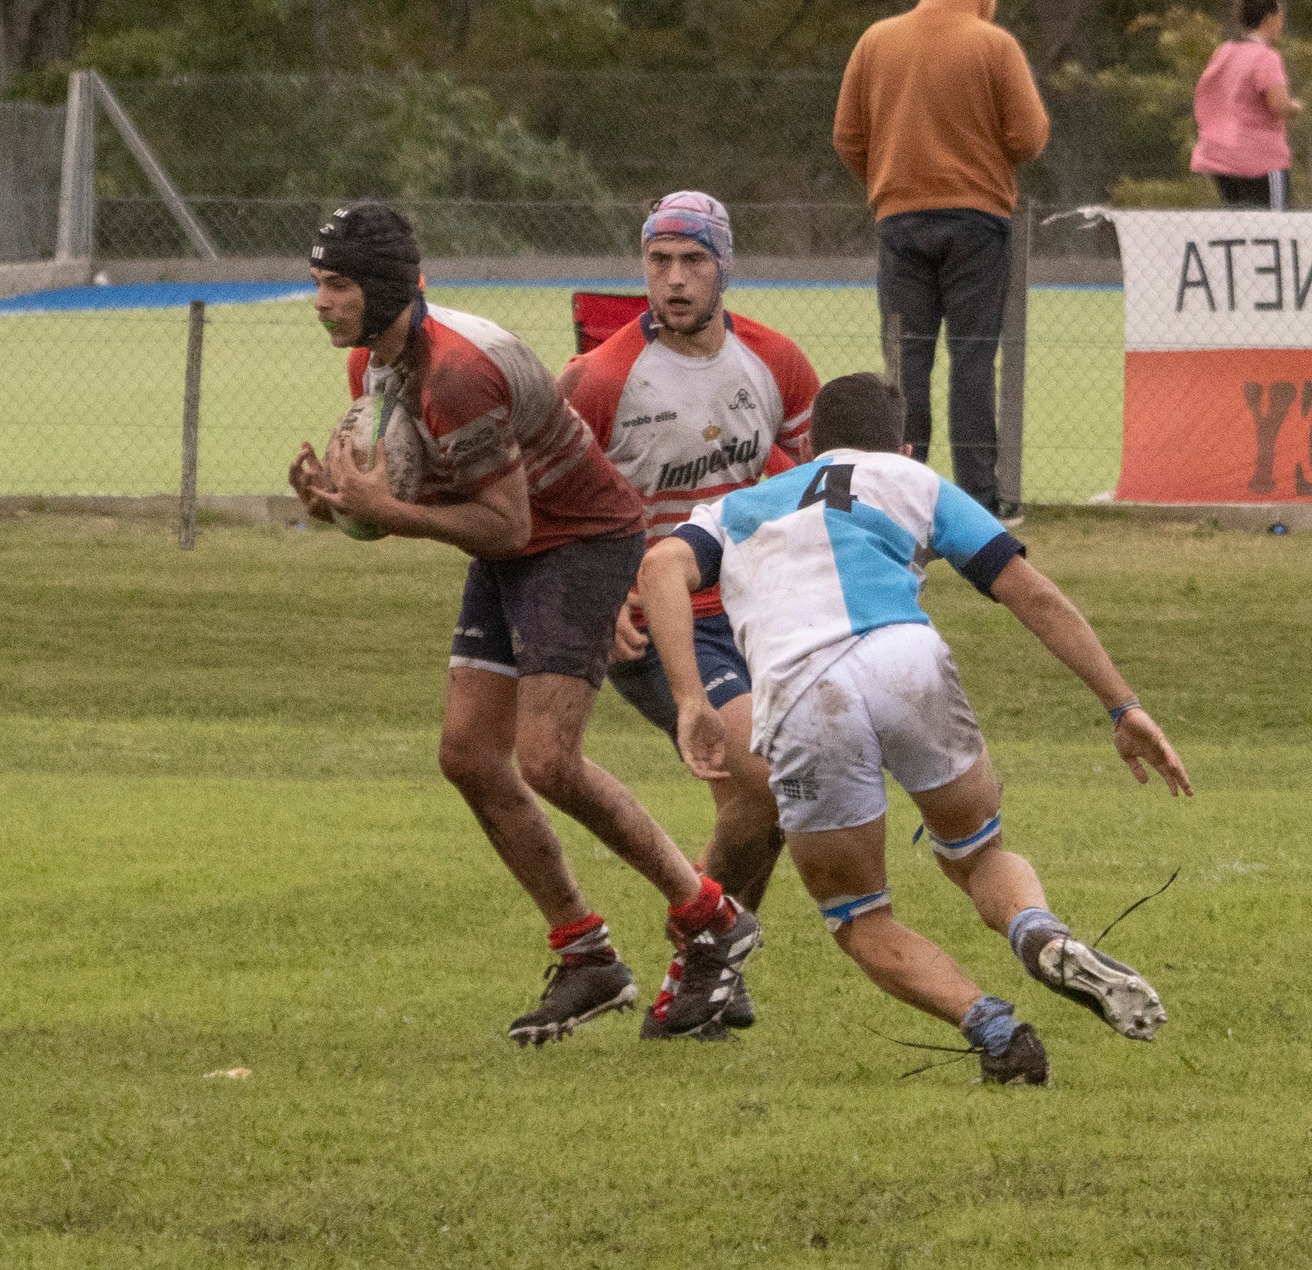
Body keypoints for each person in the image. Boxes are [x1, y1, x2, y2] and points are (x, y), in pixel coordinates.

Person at [288, 201, 762, 1045]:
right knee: (468, 753)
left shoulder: (455, 375)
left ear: (386, 287)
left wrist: (386, 513)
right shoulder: (376, 363)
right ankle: (588, 958)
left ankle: (711, 913)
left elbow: (505, 525)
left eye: (337, 285)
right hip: (519, 542)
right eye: (318, 283)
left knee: (547, 758)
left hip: (579, 541)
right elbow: (429, 492)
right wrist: (340, 507)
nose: (321, 302)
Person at [637, 372, 1191, 1085]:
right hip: (907, 662)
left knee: (860, 916)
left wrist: (690, 698)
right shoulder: (914, 479)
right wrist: (1123, 706)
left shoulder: (735, 507)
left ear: (807, 445)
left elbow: (659, 568)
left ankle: (998, 1032)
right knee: (980, 853)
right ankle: (1038, 932)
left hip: (805, 698)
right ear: (900, 443)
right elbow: (1032, 593)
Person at [558, 190, 818, 1040]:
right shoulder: (600, 380)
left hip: (754, 612)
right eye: (658, 261)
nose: (672, 281)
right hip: (656, 615)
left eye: (692, 261)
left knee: (764, 807)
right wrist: (599, 604)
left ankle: (710, 967)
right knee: (766, 786)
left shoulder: (777, 366)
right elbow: (544, 506)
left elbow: (819, 489)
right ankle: (701, 963)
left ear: (724, 266)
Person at [833, 0, 1048, 524]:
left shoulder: (876, 41)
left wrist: (890, 179)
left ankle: (901, 493)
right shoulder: (994, 45)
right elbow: (1029, 135)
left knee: (907, 365)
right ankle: (979, 497)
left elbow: (847, 138)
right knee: (972, 360)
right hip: (978, 222)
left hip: (900, 221)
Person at [1192, 0, 1304, 210]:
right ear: (1269, 19)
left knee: (1241, 225)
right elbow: (1278, 104)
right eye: (1279, 17)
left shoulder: (1224, 52)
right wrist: (1295, 106)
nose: (1281, 23)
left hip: (1221, 157)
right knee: (1274, 224)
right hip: (1260, 160)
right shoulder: (1266, 57)